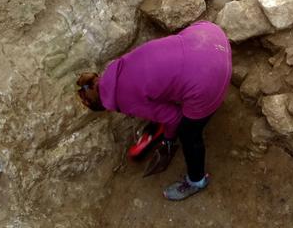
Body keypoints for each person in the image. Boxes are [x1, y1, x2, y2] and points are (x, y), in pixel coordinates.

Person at [76, 21, 232, 201]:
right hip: (210, 36)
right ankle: (207, 92)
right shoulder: (118, 67)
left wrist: (169, 139)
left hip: (210, 76)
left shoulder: (124, 100)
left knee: (188, 133)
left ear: (103, 105)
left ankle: (196, 181)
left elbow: (174, 117)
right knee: (180, 76)